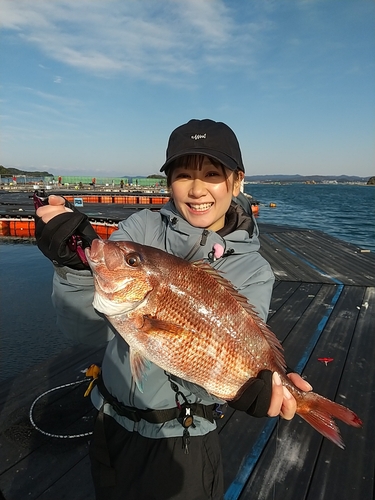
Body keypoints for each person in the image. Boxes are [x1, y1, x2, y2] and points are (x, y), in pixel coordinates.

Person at [35, 119, 311, 500]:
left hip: (181, 442)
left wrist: (253, 388)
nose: (197, 189)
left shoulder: (254, 270)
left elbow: (226, 358)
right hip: (109, 426)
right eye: (183, 175)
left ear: (237, 180)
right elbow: (85, 329)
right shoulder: (140, 230)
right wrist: (74, 266)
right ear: (169, 182)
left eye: (212, 174)